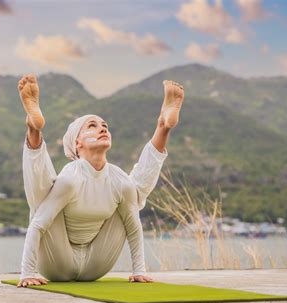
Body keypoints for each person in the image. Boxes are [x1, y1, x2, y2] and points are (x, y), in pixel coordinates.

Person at [17, 74, 184, 288]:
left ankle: (164, 125)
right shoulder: (70, 178)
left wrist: (139, 270)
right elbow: (38, 225)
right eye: (92, 126)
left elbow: (133, 228)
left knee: (130, 192)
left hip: (95, 266)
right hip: (55, 264)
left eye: (104, 125)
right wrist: (27, 272)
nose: (103, 128)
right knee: (43, 201)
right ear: (77, 143)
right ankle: (33, 127)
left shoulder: (118, 180)